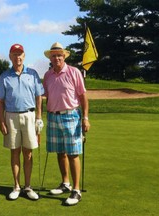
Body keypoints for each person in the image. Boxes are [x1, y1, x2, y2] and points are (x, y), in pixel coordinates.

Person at [43, 42, 90, 206]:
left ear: (64, 57)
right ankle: (65, 183)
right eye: (54, 55)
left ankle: (76, 190)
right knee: (60, 152)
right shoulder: (48, 75)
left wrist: (85, 118)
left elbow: (83, 97)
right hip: (53, 117)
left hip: (71, 116)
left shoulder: (73, 72)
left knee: (72, 153)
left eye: (59, 55)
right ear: (50, 58)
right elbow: (46, 96)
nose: (56, 58)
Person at [0, 44, 44, 200]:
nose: (18, 57)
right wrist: (2, 122)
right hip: (11, 116)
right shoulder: (5, 76)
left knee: (28, 153)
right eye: (14, 54)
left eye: (20, 54)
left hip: (30, 116)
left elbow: (39, 97)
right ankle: (16, 186)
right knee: (14, 151)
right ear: (10, 56)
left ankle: (28, 186)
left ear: (24, 56)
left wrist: (39, 118)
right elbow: (0, 102)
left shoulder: (33, 74)